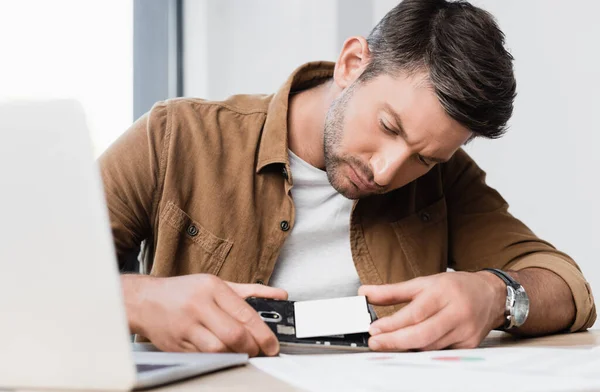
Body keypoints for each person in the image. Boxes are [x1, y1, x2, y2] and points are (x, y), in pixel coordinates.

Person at [100, 0, 596, 357]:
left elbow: (567, 285)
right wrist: (139, 298)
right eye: (388, 126)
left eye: (424, 158)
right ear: (352, 63)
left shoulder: (444, 178)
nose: (386, 171)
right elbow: (29, 266)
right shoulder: (177, 138)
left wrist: (495, 296)